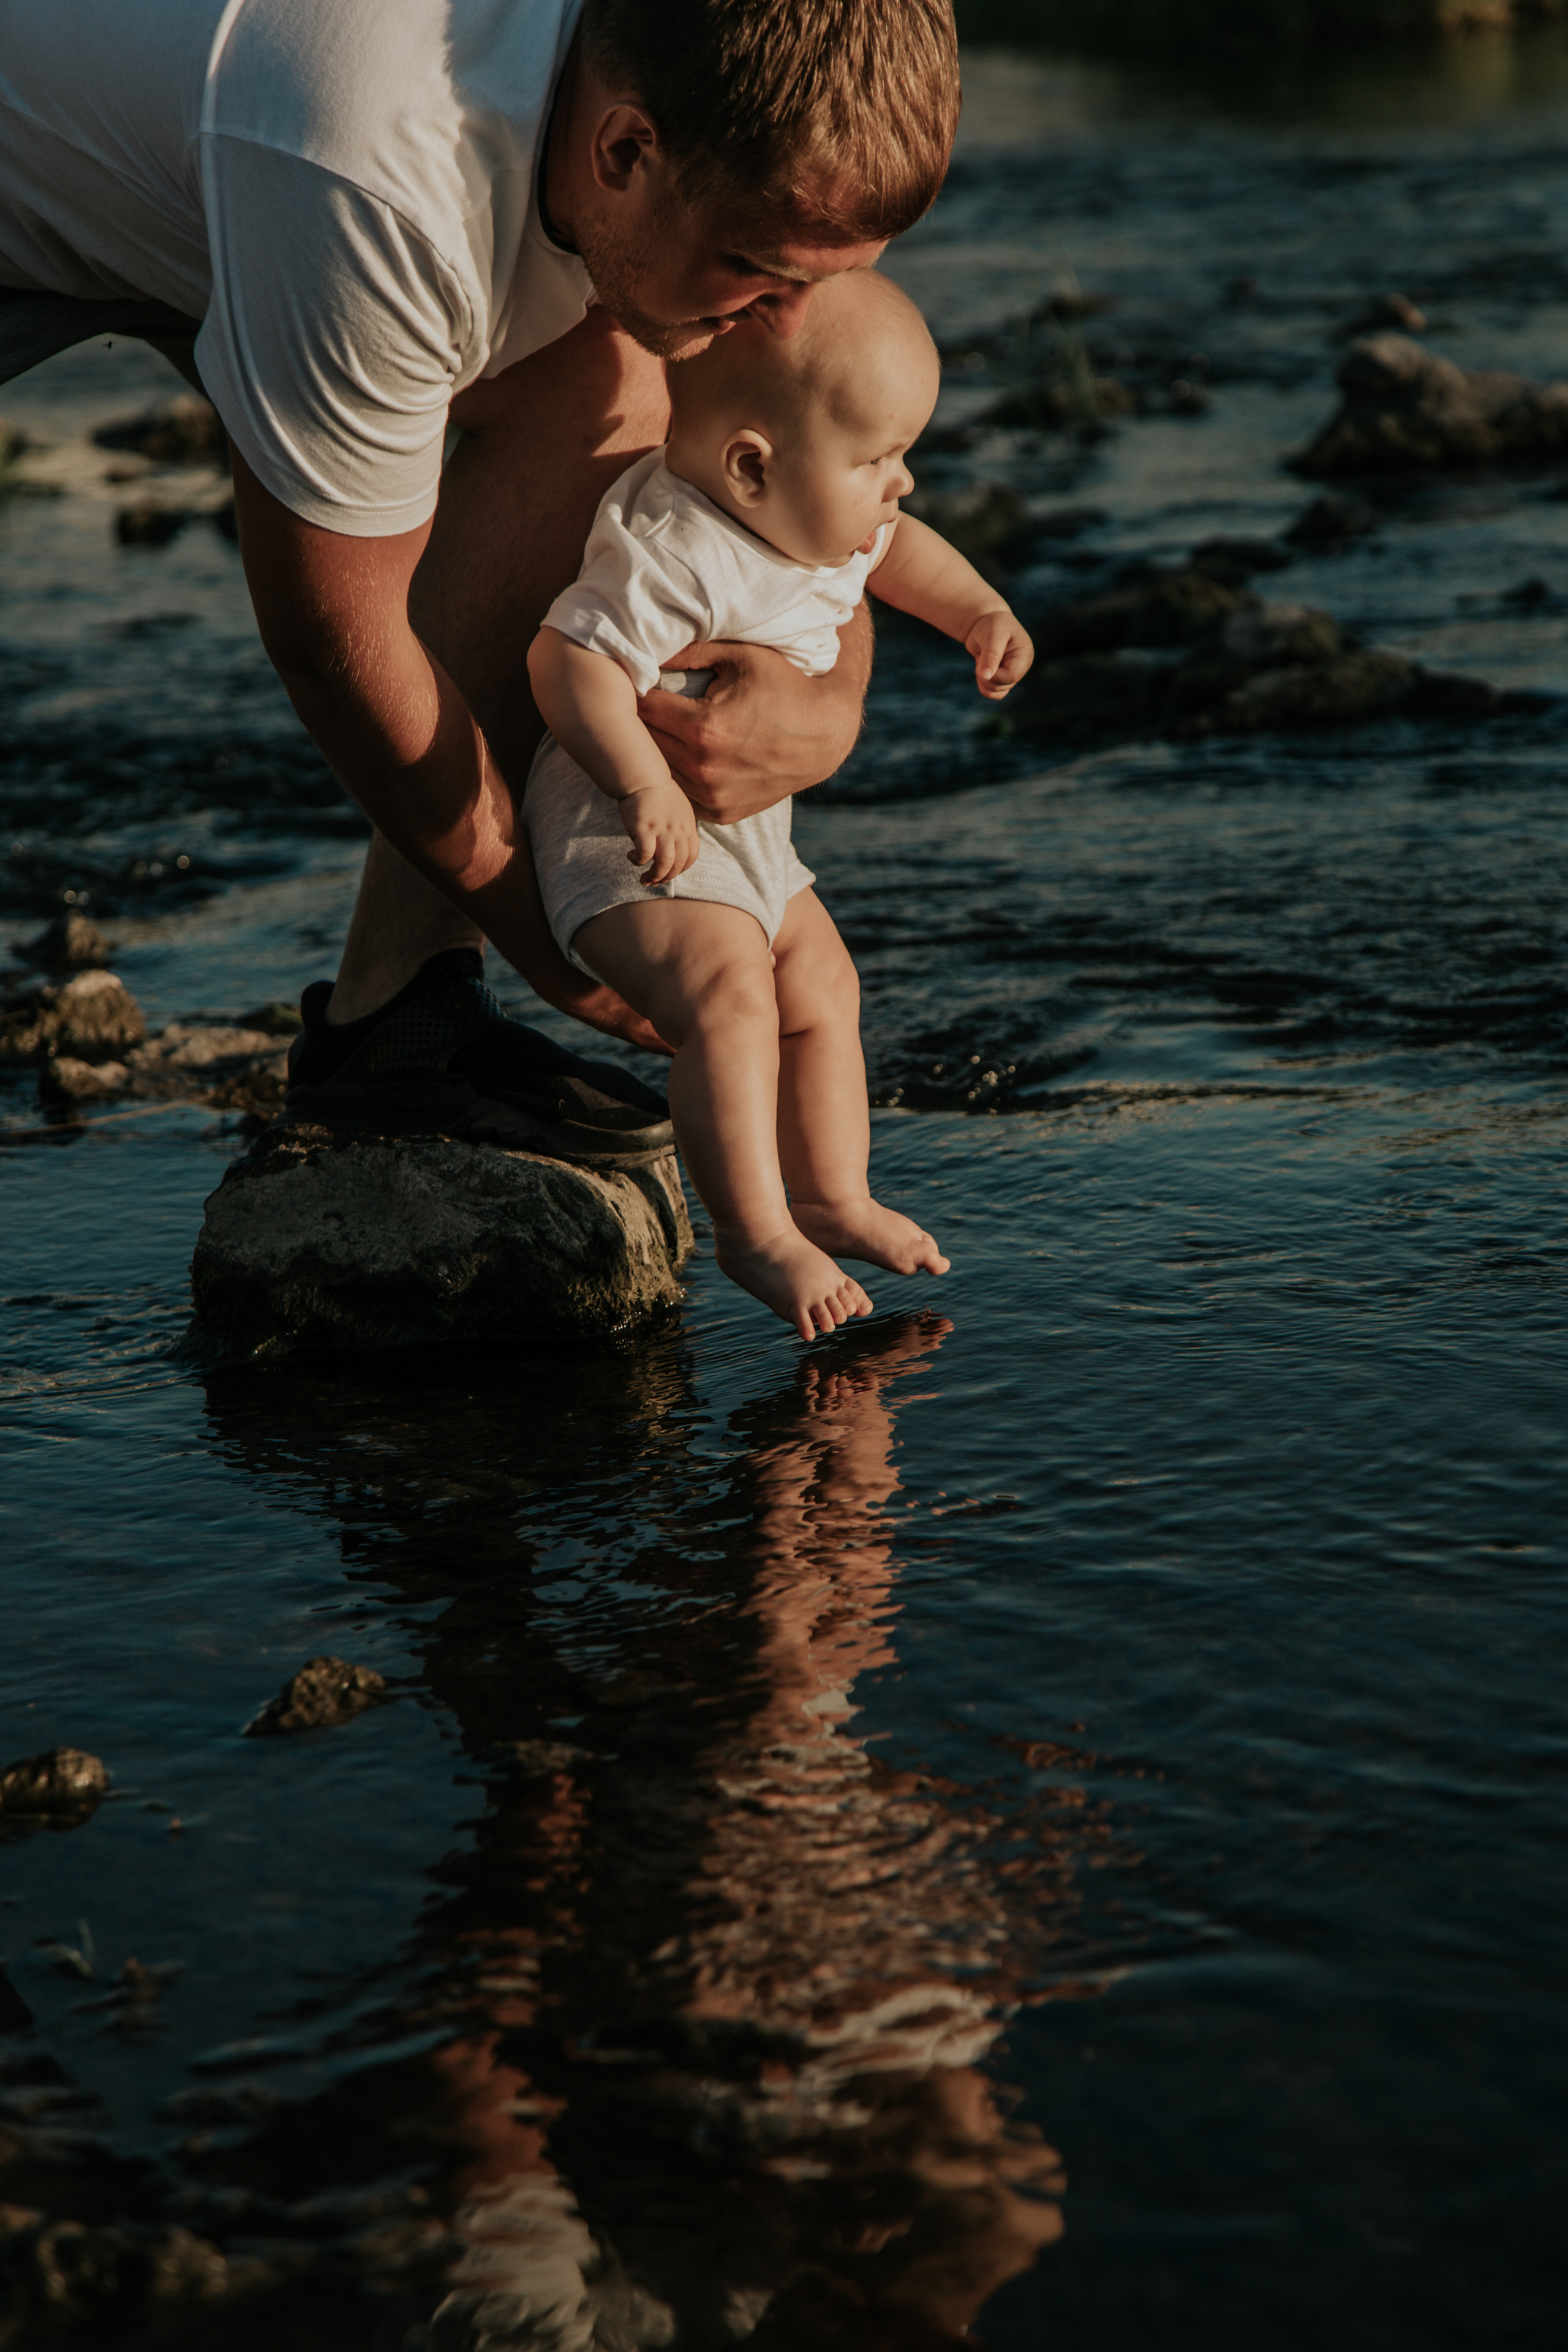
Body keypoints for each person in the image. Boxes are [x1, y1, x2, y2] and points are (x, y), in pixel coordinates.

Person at [0, 0, 960, 1156]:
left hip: (203, 136)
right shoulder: (380, 180)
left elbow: (794, 454)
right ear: (623, 149)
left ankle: (399, 1027)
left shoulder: (647, 88)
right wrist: (563, 944)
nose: (775, 323)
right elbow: (337, 645)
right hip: (161, 155)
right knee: (627, 368)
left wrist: (828, 695)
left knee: (628, 381)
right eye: (754, 270)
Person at [526, 271, 1035, 1334]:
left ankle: (832, 1196)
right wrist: (640, 782)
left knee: (822, 983)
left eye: (901, 455)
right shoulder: (679, 549)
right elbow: (564, 661)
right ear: (751, 466)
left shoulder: (825, 516)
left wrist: (981, 613)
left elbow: (906, 556)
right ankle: (756, 1235)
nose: (899, 484)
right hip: (620, 819)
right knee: (731, 997)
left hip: (744, 834)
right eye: (876, 460)